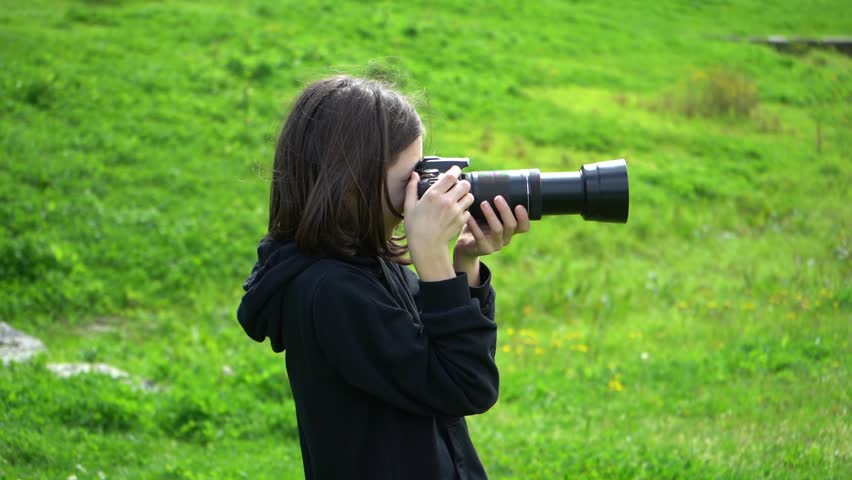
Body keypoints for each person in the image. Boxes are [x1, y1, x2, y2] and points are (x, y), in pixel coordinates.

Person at [237, 75, 530, 480]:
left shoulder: (368, 263)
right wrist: (429, 255)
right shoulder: (330, 292)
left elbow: (447, 358)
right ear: (350, 181)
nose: (422, 189)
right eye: (410, 176)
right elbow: (466, 385)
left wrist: (463, 264)